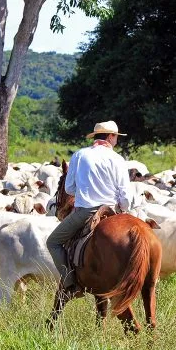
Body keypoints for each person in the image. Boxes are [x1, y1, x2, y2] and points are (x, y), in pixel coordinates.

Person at [46, 120, 131, 292]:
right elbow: (125, 195)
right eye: (116, 137)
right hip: (114, 211)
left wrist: (85, 187)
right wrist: (123, 210)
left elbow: (69, 188)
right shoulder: (118, 159)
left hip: (86, 211)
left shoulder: (80, 155)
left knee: (53, 242)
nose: (117, 140)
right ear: (110, 136)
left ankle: (70, 282)